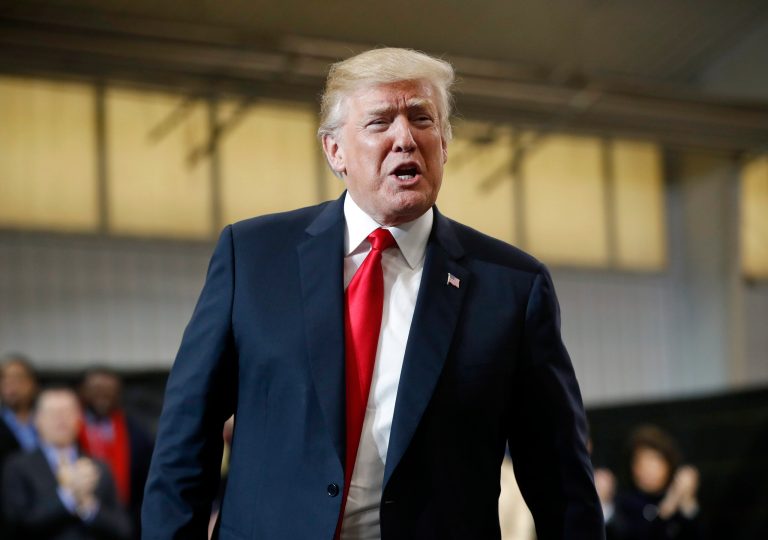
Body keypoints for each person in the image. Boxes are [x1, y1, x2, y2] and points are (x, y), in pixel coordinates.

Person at [142, 47, 603, 540]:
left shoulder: (512, 285)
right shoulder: (251, 257)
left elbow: (559, 479)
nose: (405, 138)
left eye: (422, 118)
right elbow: (186, 439)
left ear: (444, 144)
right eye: (380, 122)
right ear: (334, 151)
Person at [2, 386, 132, 539]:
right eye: (53, 413)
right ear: (37, 419)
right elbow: (16, 524)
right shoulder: (17, 466)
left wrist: (88, 507)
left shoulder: (99, 468)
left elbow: (123, 529)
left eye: (67, 411)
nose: (61, 418)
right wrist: (69, 497)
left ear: (79, 418)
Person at [78, 367, 154, 538]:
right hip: (80, 522)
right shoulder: (71, 430)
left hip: (125, 520)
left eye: (110, 391)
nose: (103, 395)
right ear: (83, 392)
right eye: (96, 389)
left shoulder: (136, 431)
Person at [605, 425, 701, 540]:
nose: (648, 471)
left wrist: (687, 502)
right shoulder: (625, 503)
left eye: (654, 462)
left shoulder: (678, 501)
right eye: (642, 463)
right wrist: (671, 502)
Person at [0, 354, 40, 535]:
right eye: (4, 379)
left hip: (45, 513)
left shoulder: (45, 421)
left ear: (32, 384)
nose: (10, 386)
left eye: (17, 379)